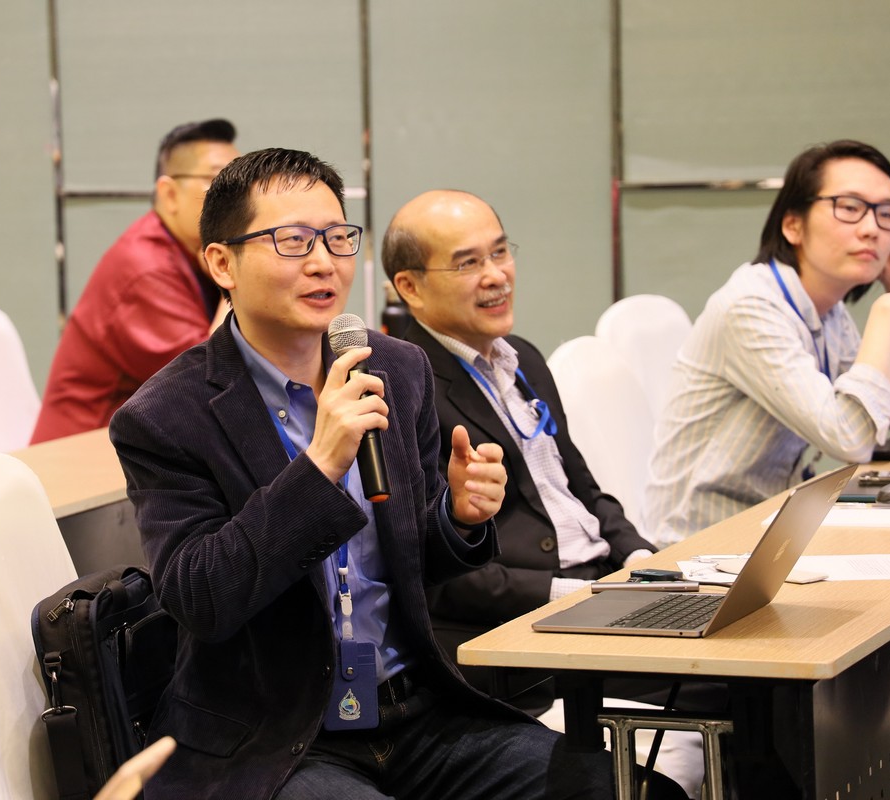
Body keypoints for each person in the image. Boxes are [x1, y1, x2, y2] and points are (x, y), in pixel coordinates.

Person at [110, 149, 682, 799]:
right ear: (222, 263)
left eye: (337, 238)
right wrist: (319, 467)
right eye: (293, 241)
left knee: (636, 792)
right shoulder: (166, 417)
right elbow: (201, 600)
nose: (324, 262)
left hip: (419, 713)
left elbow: (415, 563)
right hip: (280, 738)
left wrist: (458, 518)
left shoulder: (396, 368)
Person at [382, 190, 704, 798]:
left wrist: (641, 559)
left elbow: (583, 489)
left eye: (500, 252)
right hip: (529, 629)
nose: (496, 275)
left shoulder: (521, 357)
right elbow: (435, 571)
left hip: (604, 589)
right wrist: (577, 594)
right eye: (468, 262)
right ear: (411, 287)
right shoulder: (405, 385)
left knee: (758, 652)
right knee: (749, 681)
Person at [646, 140, 890, 544]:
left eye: (885, 213)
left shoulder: (828, 312)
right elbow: (850, 439)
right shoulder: (750, 307)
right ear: (792, 225)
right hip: (700, 545)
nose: (871, 229)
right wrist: (887, 310)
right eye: (850, 207)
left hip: (774, 530)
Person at [32, 118, 239, 443]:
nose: (237, 200)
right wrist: (237, 279)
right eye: (218, 181)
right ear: (169, 194)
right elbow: (211, 382)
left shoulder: (191, 250)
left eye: (239, 183)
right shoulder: (145, 269)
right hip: (84, 454)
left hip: (140, 444)